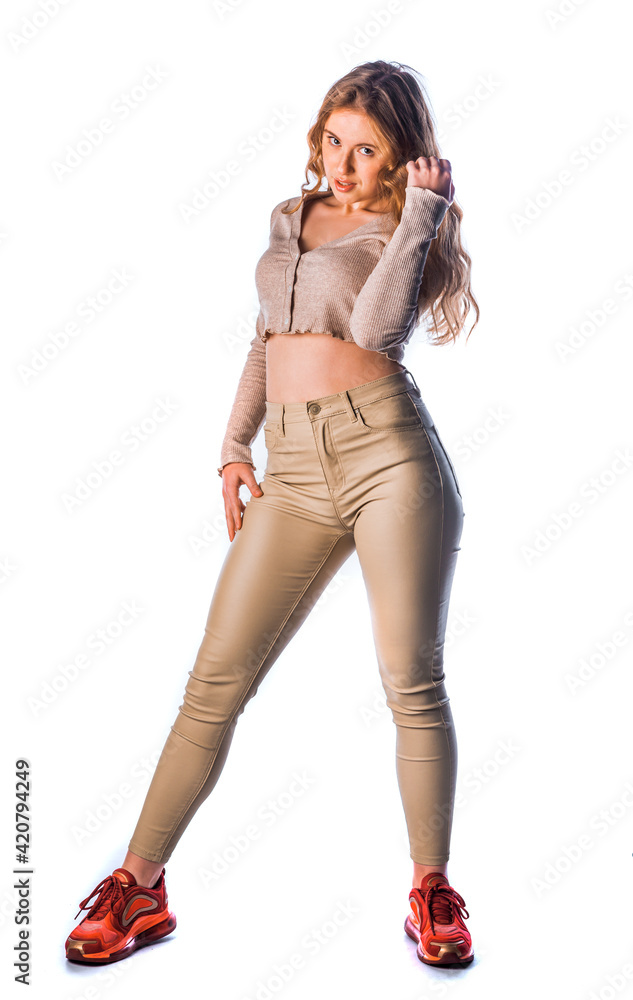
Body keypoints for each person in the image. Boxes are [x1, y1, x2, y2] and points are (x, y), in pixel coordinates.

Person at [65, 59, 479, 969]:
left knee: (410, 681)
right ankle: (139, 885)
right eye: (333, 140)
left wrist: (420, 212)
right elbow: (266, 337)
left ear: (401, 156)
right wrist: (232, 447)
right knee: (213, 682)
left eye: (366, 149)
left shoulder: (406, 226)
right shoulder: (290, 218)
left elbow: (373, 333)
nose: (343, 163)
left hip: (386, 457)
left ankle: (432, 892)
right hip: (291, 470)